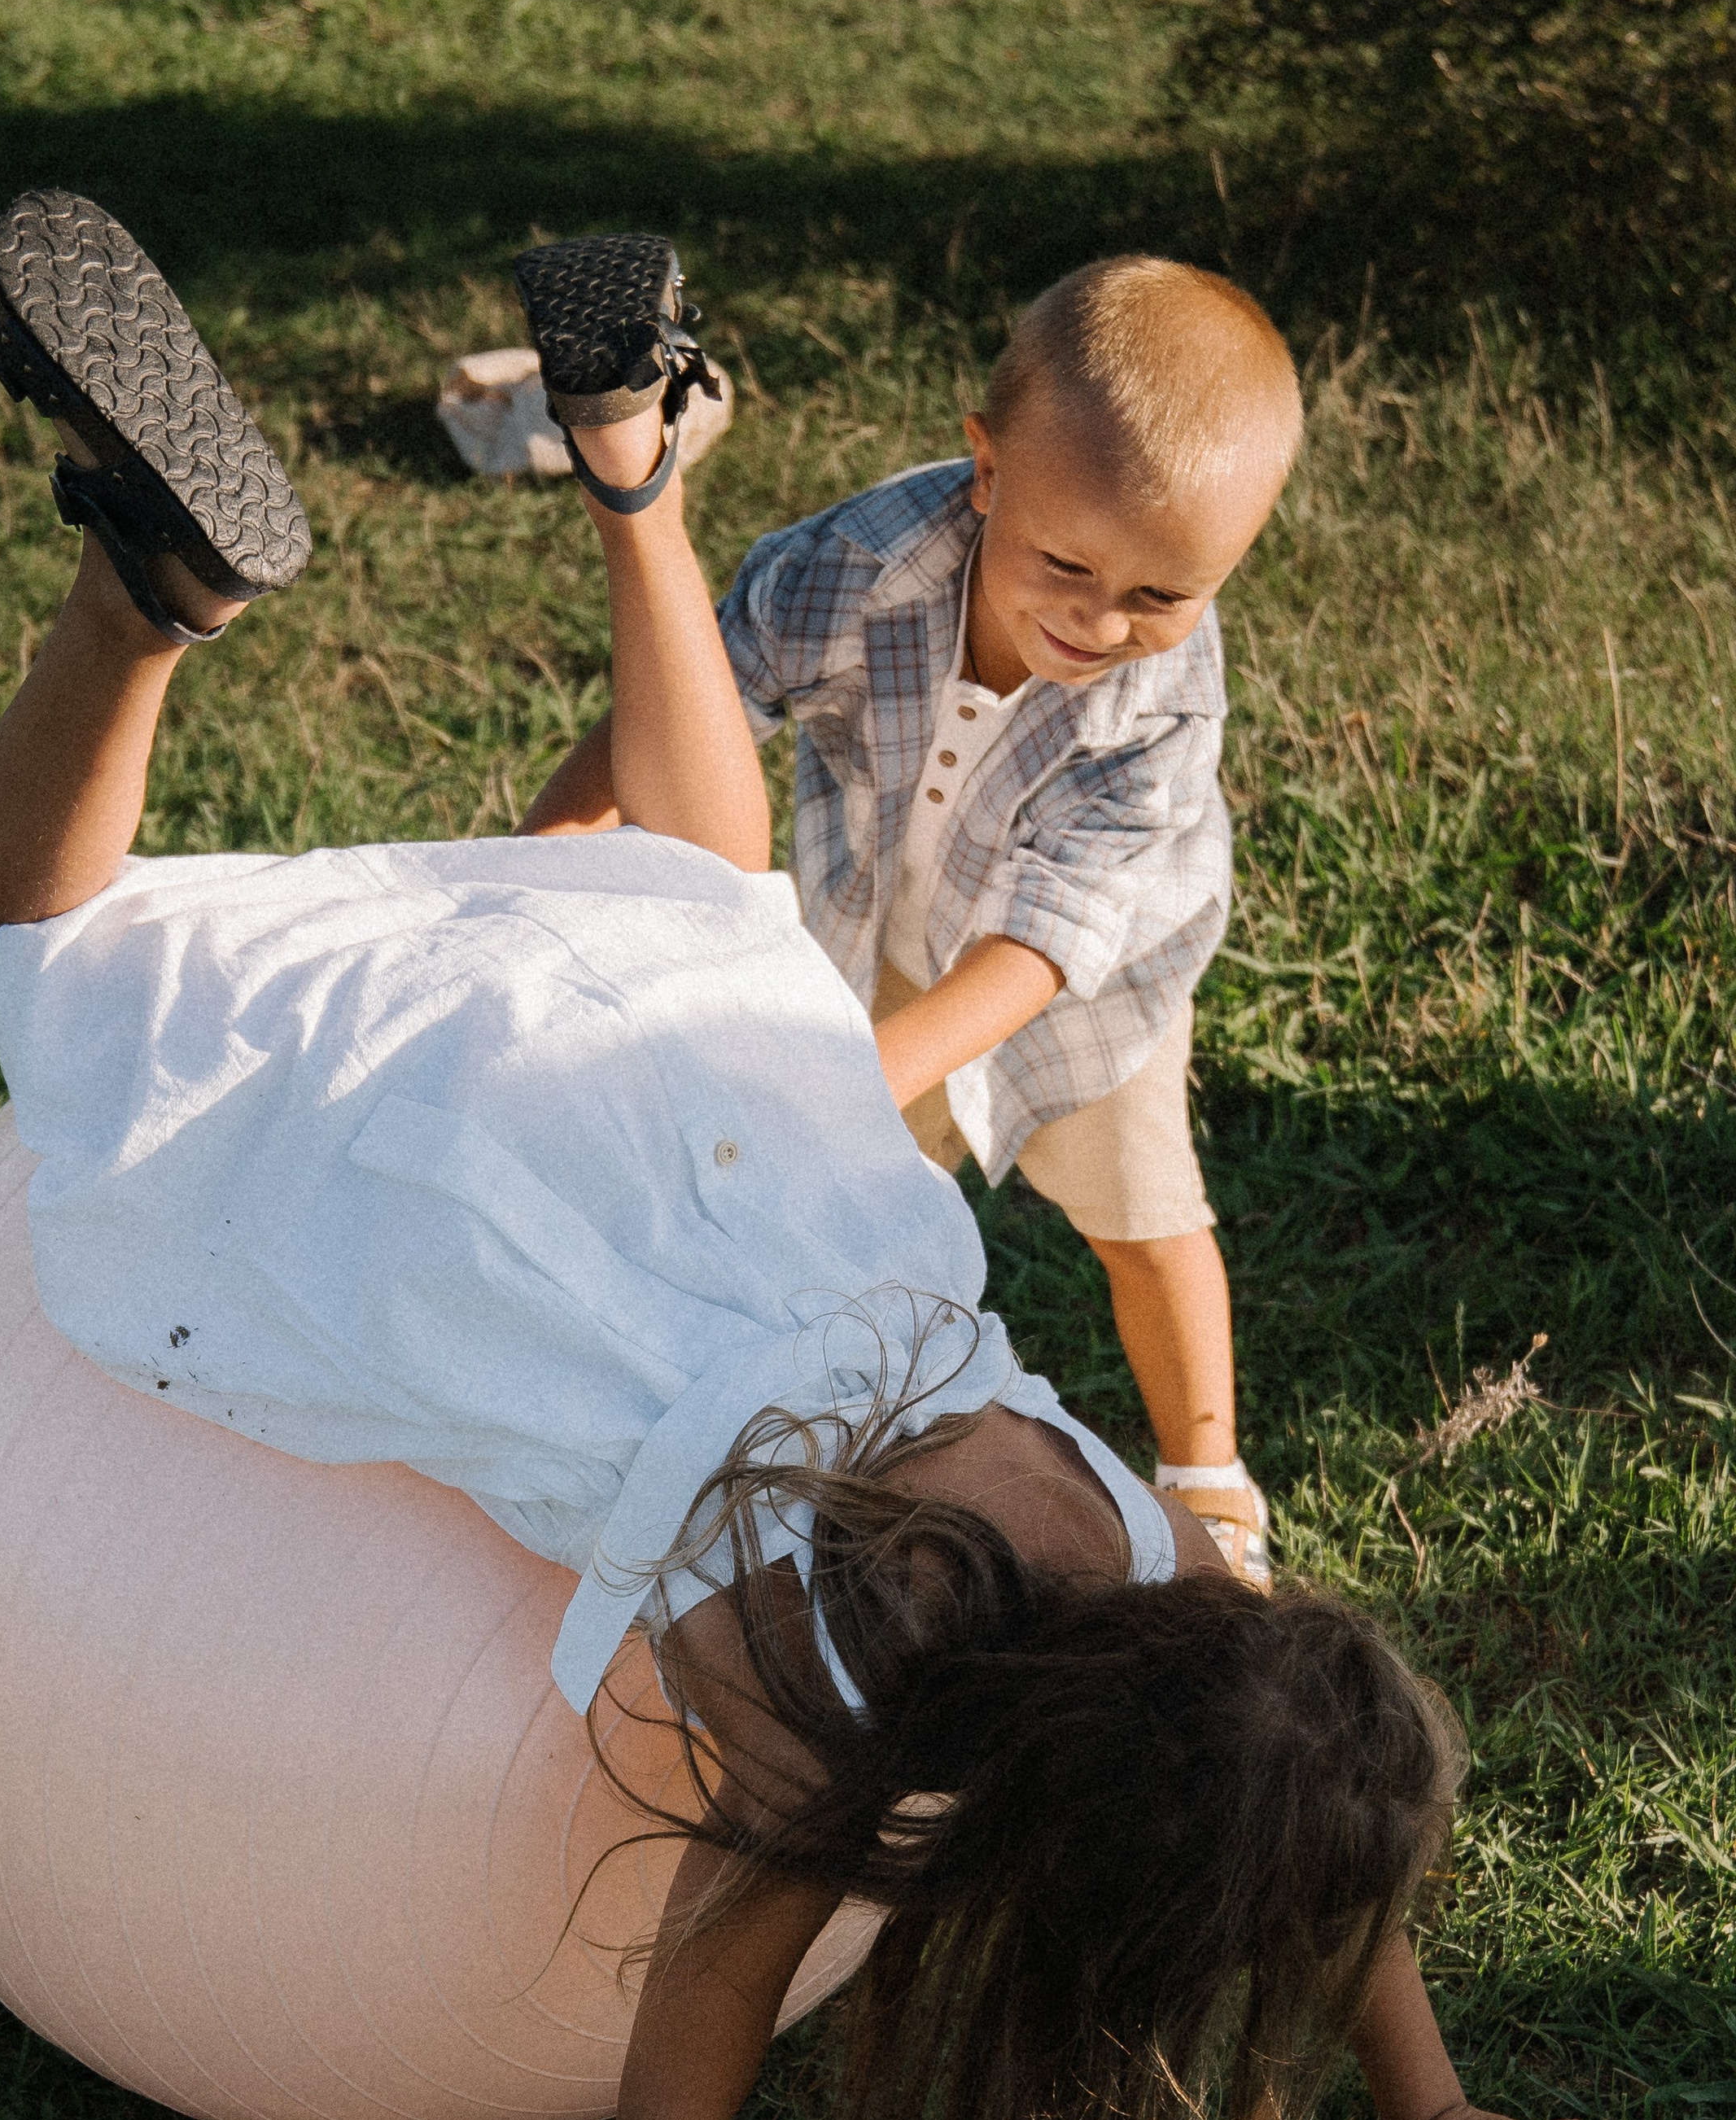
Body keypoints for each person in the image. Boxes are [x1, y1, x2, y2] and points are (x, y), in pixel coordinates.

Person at [0, 195, 1623, 2120]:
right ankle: (148, 597)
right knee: (31, 956)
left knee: (707, 894)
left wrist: (1435, 2091)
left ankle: (638, 482)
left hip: (768, 1158)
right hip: (534, 1259)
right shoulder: (847, 1781)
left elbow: (1318, 1829)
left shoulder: (1162, 1580)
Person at [523, 256, 1305, 1588]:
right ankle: (866, 1425)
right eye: (1067, 564)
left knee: (1144, 1218)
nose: (1101, 620)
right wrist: (548, 854)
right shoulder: (852, 569)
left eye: (1163, 597)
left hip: (1088, 991)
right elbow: (691, 700)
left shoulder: (1166, 703)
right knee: (866, 1205)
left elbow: (1043, 949)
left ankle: (1205, 1466)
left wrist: (852, 1082)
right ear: (986, 470)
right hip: (881, 919)